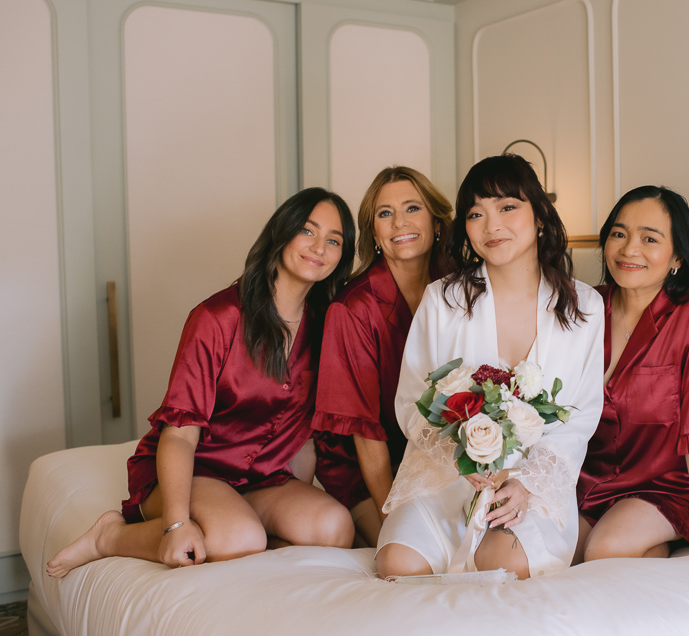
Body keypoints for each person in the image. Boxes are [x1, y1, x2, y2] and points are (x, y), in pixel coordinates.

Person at [47, 188, 357, 577]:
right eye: (308, 232)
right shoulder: (218, 317)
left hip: (261, 478)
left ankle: (244, 525)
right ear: (282, 234)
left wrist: (295, 505)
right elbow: (179, 435)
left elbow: (302, 437)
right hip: (196, 470)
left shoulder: (325, 327)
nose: (319, 247)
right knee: (238, 539)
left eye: (334, 240)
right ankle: (109, 536)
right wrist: (177, 524)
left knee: (335, 527)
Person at [375, 154, 604, 580]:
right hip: (447, 476)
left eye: (507, 207)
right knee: (396, 564)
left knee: (503, 565)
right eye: (476, 214)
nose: (491, 225)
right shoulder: (442, 299)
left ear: (539, 216)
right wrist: (464, 461)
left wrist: (527, 484)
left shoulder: (586, 306)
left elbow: (580, 417)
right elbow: (411, 402)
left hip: (531, 483)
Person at [576, 186, 689, 560]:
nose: (629, 249)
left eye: (649, 238)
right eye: (619, 234)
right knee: (548, 556)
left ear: (677, 257)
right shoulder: (585, 307)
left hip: (672, 486)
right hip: (590, 484)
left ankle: (657, 542)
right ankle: (653, 551)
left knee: (605, 550)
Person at [312, 166, 453, 547]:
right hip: (367, 469)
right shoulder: (352, 309)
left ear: (437, 222)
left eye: (412, 208)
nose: (399, 223)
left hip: (435, 458)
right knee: (417, 551)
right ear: (374, 233)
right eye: (385, 214)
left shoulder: (459, 287)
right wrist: (393, 513)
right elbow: (364, 431)